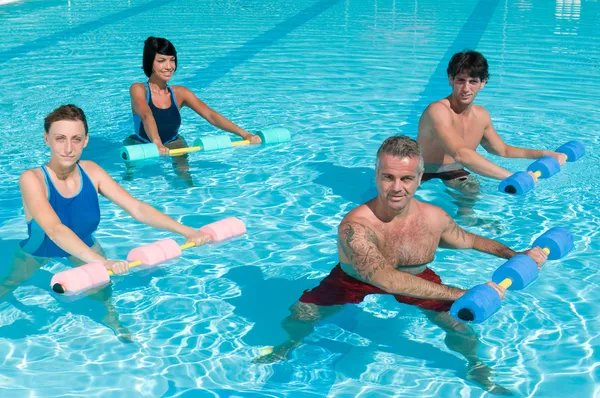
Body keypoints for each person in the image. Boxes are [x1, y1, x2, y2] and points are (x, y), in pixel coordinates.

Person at [256, 136, 547, 395]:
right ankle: (289, 344)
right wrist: (461, 293)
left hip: (415, 275)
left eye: (406, 179)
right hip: (354, 279)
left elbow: (468, 240)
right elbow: (386, 279)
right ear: (376, 176)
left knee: (458, 323)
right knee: (299, 316)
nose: (396, 188)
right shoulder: (356, 226)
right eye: (388, 177)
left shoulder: (433, 218)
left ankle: (475, 365)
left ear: (420, 178)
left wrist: (514, 255)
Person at [1, 104, 210, 341]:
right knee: (10, 282)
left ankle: (113, 320)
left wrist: (187, 231)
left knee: (102, 289)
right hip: (39, 248)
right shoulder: (31, 178)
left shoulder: (92, 171)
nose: (68, 148)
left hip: (84, 245)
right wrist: (103, 262)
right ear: (46, 139)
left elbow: (137, 207)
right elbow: (54, 229)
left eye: (76, 139)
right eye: (60, 138)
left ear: (85, 141)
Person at [416, 50, 567, 195]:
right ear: (451, 79)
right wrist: (512, 176)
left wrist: (544, 154)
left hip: (454, 172)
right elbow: (460, 154)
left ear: (483, 83)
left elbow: (502, 150)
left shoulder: (481, 116)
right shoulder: (438, 111)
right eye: (461, 80)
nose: (466, 88)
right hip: (423, 173)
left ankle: (468, 219)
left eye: (473, 81)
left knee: (472, 190)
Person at [125, 36, 260, 155]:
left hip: (174, 143)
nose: (169, 66)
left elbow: (210, 115)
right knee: (129, 179)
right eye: (161, 60)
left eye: (172, 60)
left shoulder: (181, 93)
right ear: (150, 62)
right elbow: (146, 115)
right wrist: (157, 143)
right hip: (140, 144)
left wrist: (245, 134)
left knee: (186, 179)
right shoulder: (138, 89)